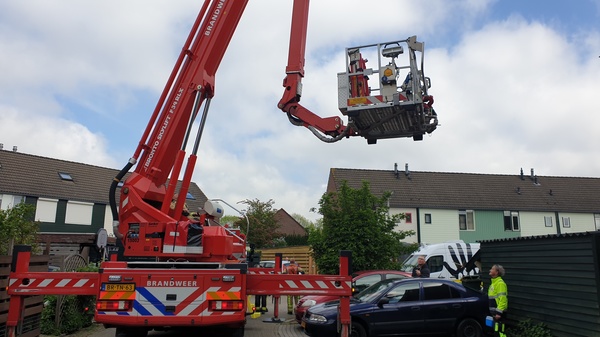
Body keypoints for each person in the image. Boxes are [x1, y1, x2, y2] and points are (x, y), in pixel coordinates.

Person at [488, 264, 508, 337]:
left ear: (497, 272)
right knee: (496, 333)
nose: (490, 270)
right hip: (495, 314)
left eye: (492, 269)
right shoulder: (493, 284)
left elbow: (503, 299)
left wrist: (499, 313)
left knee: (500, 333)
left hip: (499, 314)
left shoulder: (500, 284)